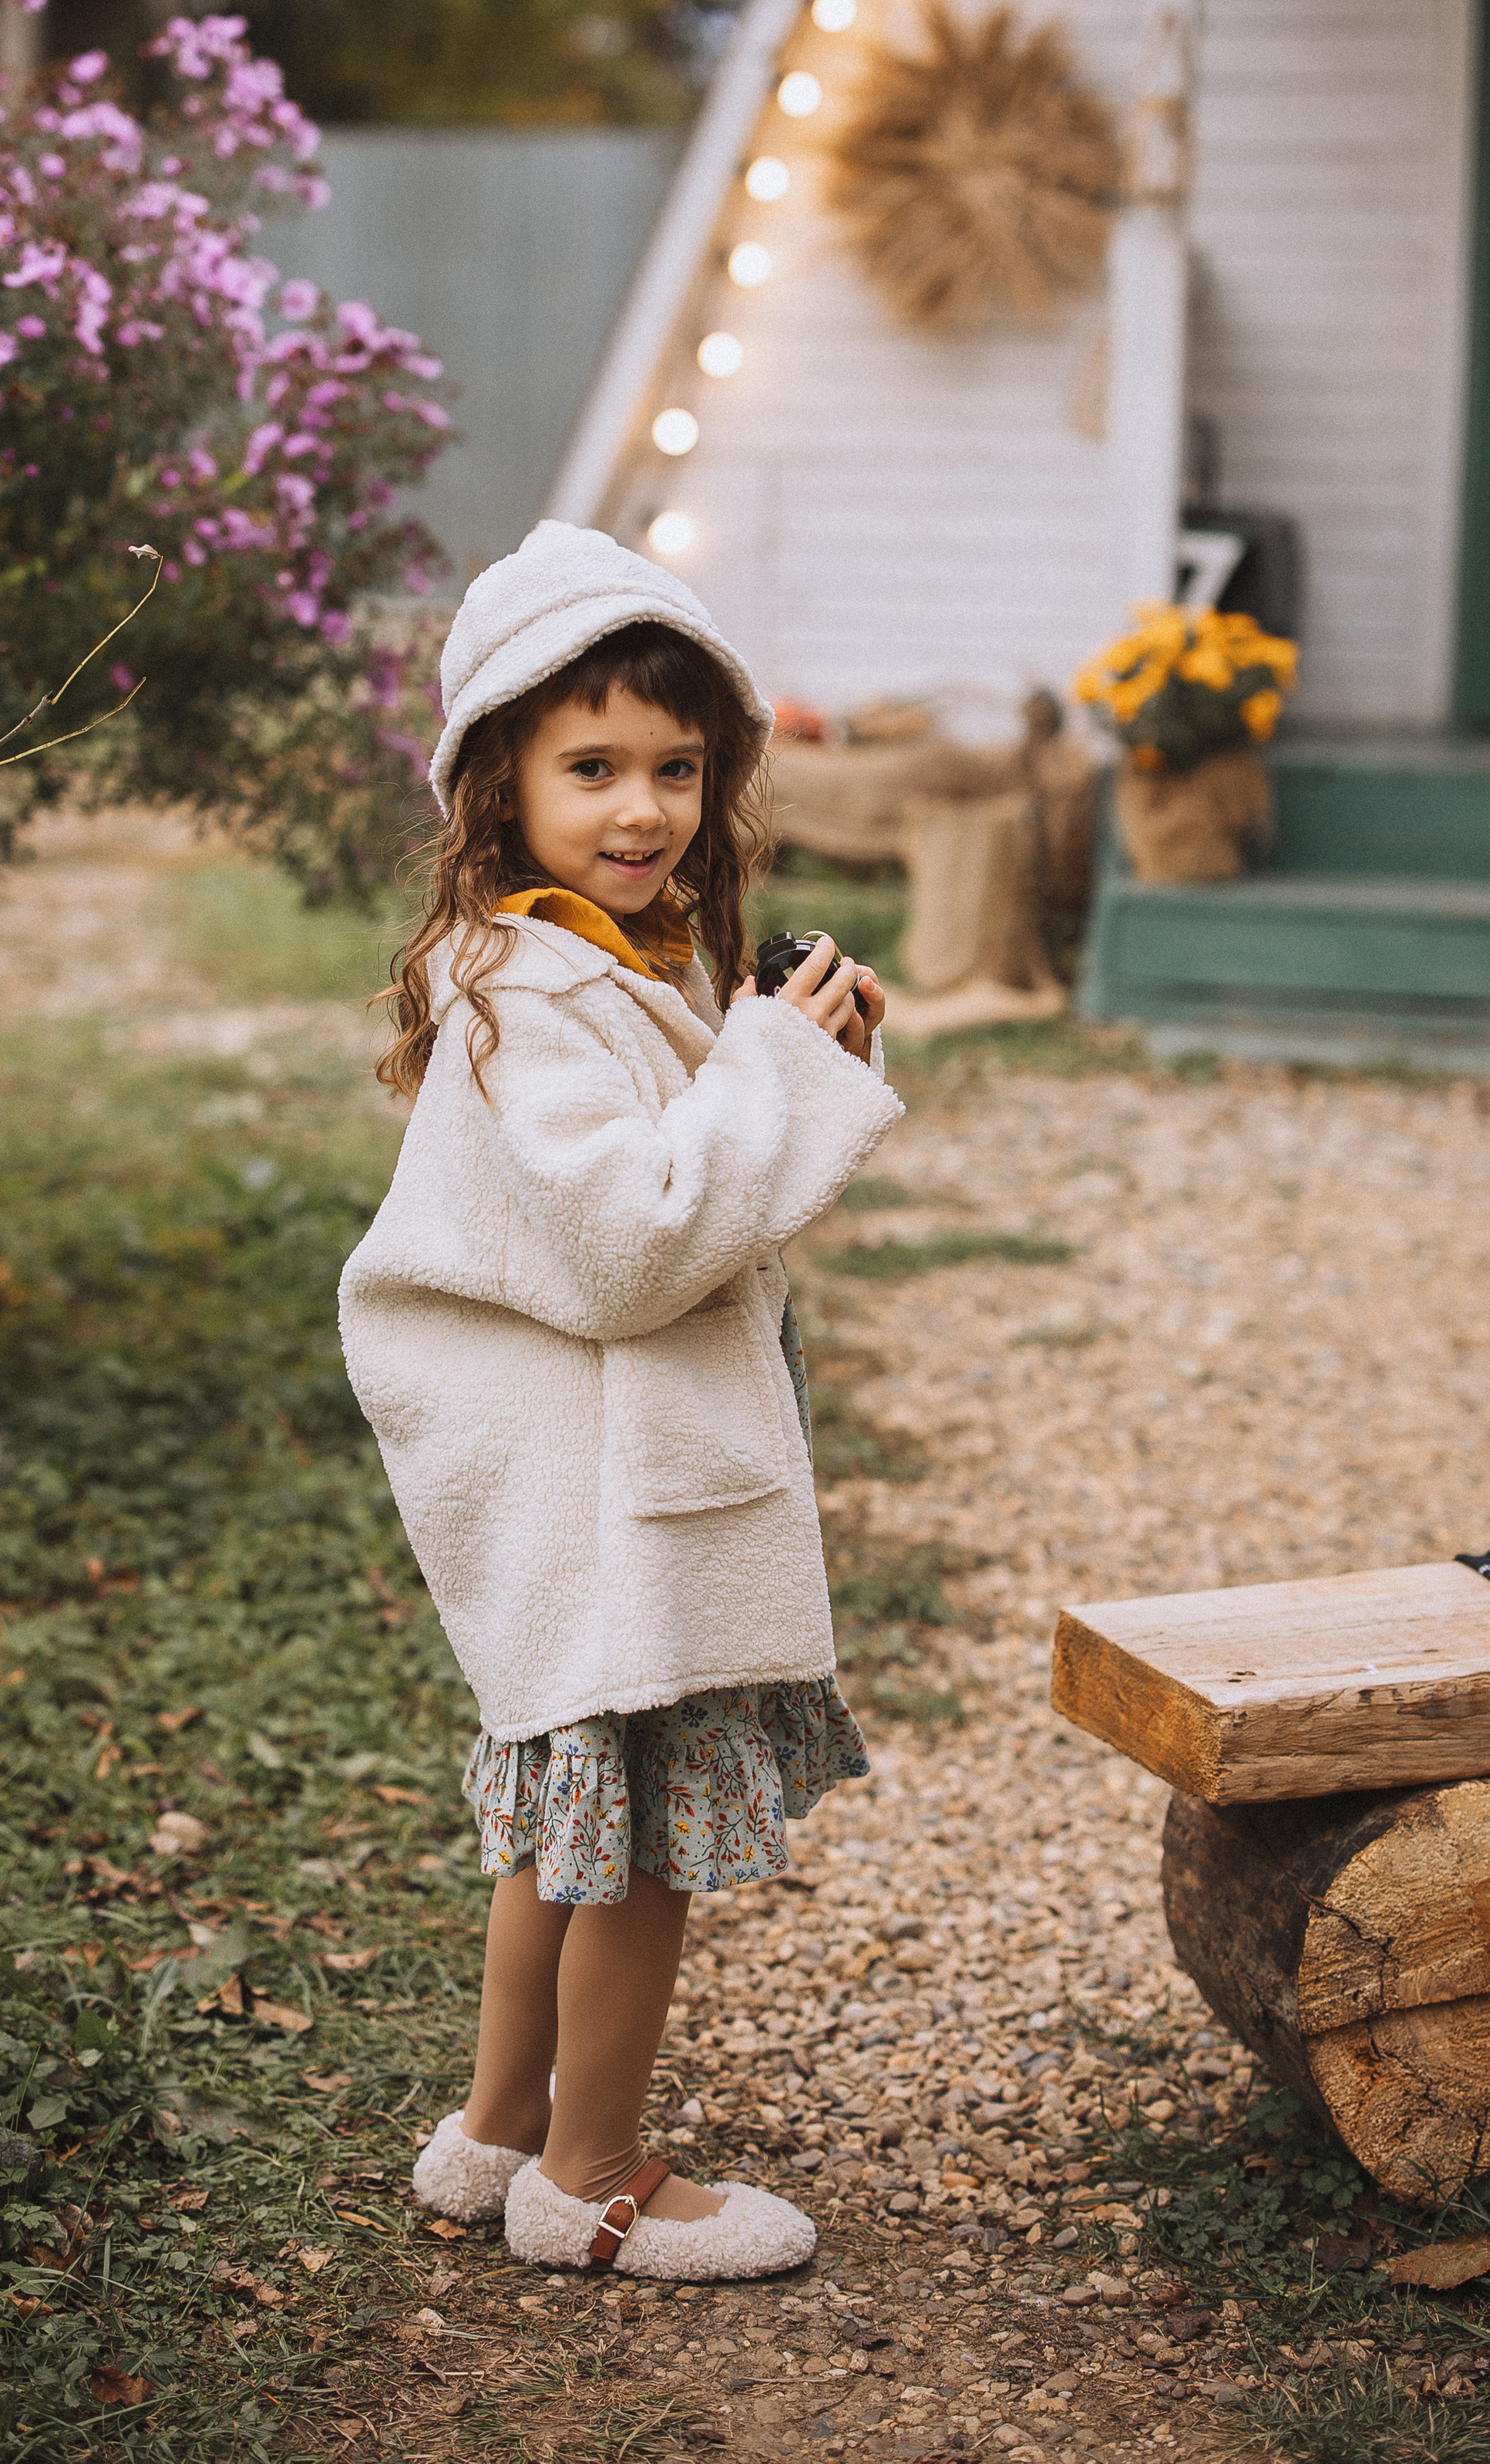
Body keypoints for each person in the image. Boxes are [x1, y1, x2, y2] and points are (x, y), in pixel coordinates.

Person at [338, 520, 901, 2282]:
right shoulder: (531, 989)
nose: (640, 806)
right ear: (497, 780)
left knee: (561, 1836)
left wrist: (792, 1063)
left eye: (673, 766)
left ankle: (495, 2131)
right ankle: (589, 2177)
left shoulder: (584, 961)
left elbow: (675, 1183)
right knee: (634, 1858)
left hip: (599, 1481)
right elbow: (636, 1244)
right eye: (590, 767)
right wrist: (771, 1070)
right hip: (597, 1496)